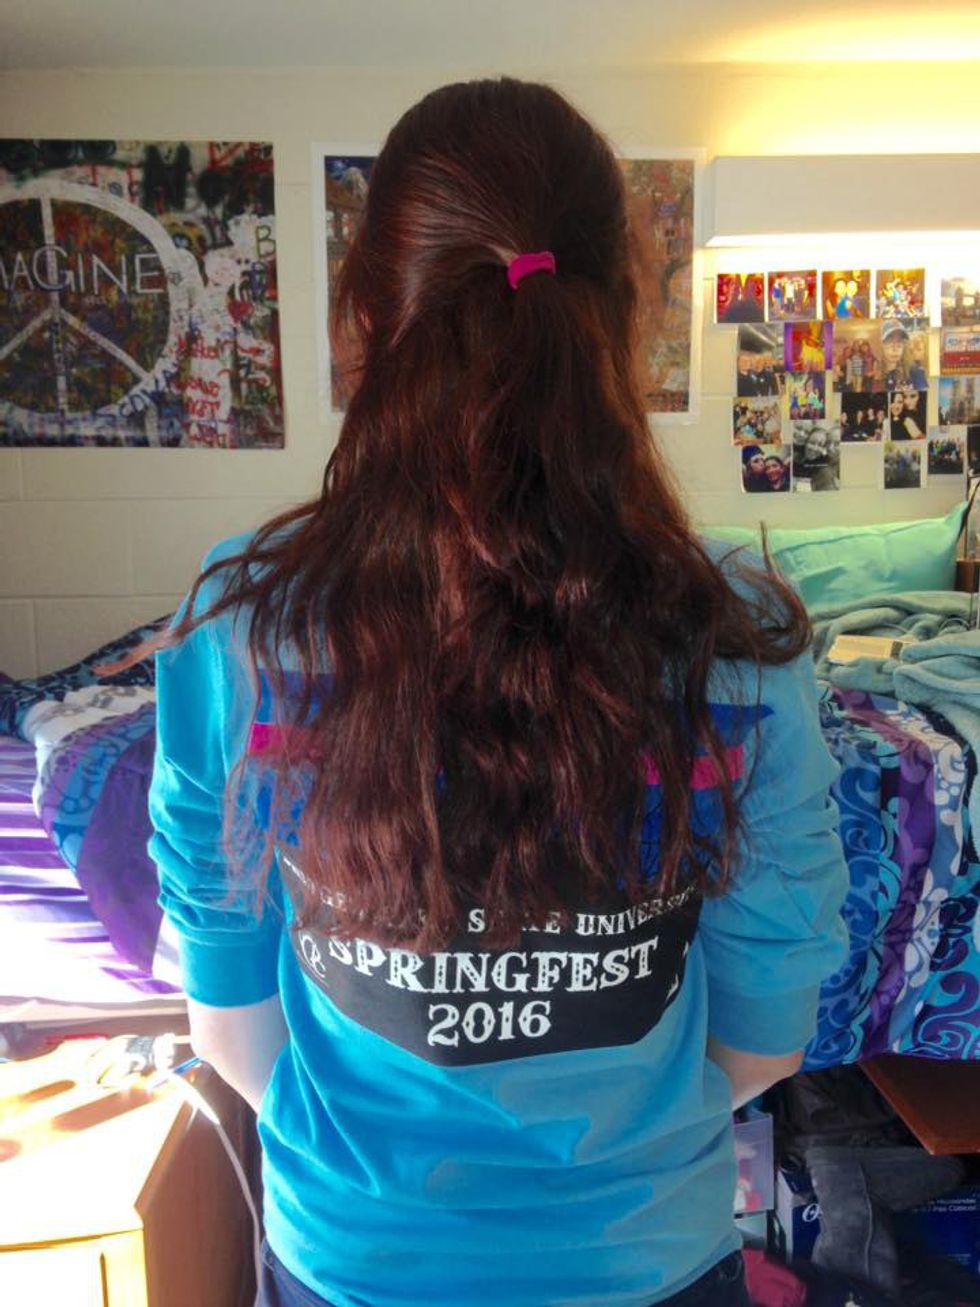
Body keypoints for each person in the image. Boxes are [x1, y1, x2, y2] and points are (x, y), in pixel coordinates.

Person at [148, 79, 848, 1307]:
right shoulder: (731, 634)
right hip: (646, 1258)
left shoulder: (247, 621)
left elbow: (232, 1019)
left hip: (350, 1261)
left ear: (364, 317)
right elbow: (761, 1039)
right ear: (625, 318)